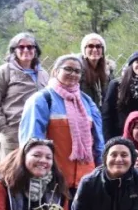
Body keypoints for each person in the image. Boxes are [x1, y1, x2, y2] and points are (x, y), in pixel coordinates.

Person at [18, 55, 104, 195]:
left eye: (77, 71)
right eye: (68, 69)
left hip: (86, 181)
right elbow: (30, 143)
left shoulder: (87, 102)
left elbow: (98, 141)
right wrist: (35, 178)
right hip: (54, 181)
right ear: (55, 71)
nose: (73, 74)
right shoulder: (42, 100)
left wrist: (102, 170)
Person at [0, 33, 51, 157]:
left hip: (40, 132)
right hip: (14, 132)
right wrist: (4, 128)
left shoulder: (44, 74)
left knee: (36, 172)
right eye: (21, 47)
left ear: (36, 50)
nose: (26, 50)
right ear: (13, 50)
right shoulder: (4, 71)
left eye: (30, 47)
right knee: (12, 172)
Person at [102, 50, 138, 140]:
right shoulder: (117, 85)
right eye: (137, 62)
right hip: (119, 134)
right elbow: (107, 114)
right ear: (131, 64)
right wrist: (108, 138)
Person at [79, 33, 115, 107]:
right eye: (90, 46)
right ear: (84, 50)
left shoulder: (108, 73)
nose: (95, 50)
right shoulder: (77, 72)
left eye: (98, 46)